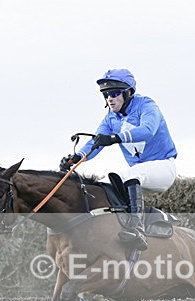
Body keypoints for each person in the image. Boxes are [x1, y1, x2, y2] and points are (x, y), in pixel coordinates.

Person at [60, 69, 177, 251]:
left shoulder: (146, 105)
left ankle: (136, 229)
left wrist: (115, 138)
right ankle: (132, 222)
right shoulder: (110, 118)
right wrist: (76, 158)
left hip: (164, 167)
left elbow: (148, 130)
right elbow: (96, 143)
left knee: (132, 173)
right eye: (106, 95)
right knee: (103, 184)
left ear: (128, 92)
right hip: (139, 173)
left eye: (114, 93)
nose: (110, 99)